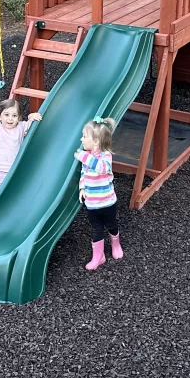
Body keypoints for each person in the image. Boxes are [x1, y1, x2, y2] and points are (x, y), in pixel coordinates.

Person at [74, 116, 121, 271]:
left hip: (107, 202)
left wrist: (84, 156)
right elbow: (84, 173)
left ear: (95, 141)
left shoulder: (105, 156)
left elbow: (102, 168)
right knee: (96, 228)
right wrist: (82, 188)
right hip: (92, 203)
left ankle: (115, 242)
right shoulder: (87, 158)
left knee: (111, 225)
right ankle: (98, 256)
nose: (81, 138)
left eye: (84, 136)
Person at [0, 99, 42, 193]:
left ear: (19, 117)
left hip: (14, 169)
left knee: (13, 192)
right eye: (6, 115)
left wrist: (31, 116)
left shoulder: (21, 126)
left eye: (14, 115)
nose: (10, 119)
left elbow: (31, 125)